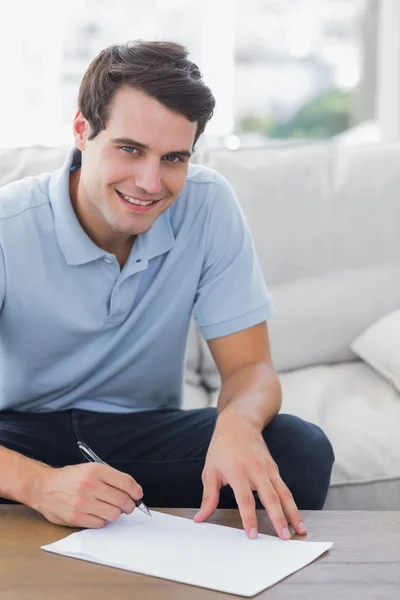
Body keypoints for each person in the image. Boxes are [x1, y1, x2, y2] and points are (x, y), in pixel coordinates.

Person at [0, 40, 334, 541]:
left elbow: (251, 369)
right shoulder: (8, 224)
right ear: (82, 131)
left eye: (173, 157)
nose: (150, 182)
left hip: (142, 434)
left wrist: (238, 424)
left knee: (299, 450)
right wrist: (40, 485)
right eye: (130, 150)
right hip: (17, 435)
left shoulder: (208, 205)